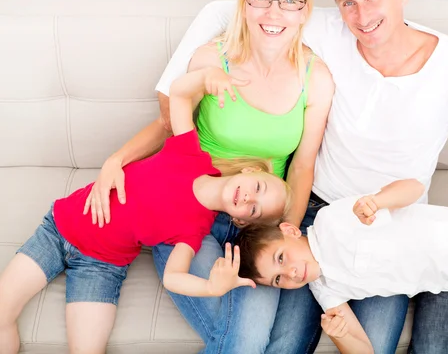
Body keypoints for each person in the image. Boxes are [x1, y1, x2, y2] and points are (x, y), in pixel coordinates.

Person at [156, 0, 448, 350]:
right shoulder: (330, 30)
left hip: (391, 220)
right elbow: (222, 11)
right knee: (287, 342)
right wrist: (170, 92)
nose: (361, 15)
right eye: (348, 2)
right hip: (316, 216)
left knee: (375, 343)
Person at [82, 0, 335, 353]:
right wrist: (116, 159)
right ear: (244, 2)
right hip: (191, 212)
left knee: (274, 341)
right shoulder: (211, 59)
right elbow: (171, 124)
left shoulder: (315, 78)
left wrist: (280, 232)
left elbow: (303, 165)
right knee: (247, 340)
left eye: (289, 0)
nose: (274, 12)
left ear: (305, 10)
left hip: (260, 218)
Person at [0, 66, 292, 354]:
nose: (248, 199)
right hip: (59, 228)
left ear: (239, 219)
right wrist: (207, 77)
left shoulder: (195, 230)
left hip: (101, 266)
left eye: (254, 209)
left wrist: (212, 288)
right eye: (258, 188)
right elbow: (178, 94)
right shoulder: (191, 153)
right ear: (249, 170)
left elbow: (173, 277)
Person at [235, 179, 448, 354]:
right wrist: (341, 334)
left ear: (290, 231)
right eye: (278, 280)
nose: (291, 274)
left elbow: (414, 187)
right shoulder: (323, 288)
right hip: (440, 287)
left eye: (281, 259)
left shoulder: (332, 220)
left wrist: (377, 201)